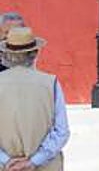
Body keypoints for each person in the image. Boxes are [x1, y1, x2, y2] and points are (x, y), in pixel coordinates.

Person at [0, 25, 69, 170]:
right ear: (35, 53)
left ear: (5, 55)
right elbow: (61, 131)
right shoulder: (51, 83)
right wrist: (34, 161)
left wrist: (6, 160)